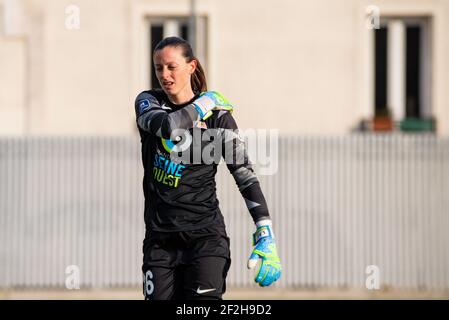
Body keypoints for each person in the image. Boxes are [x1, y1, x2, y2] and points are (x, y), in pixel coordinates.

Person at [134, 36, 281, 300]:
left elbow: (244, 174)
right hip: (160, 242)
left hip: (205, 240)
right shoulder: (149, 102)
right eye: (158, 68)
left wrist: (265, 230)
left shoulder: (218, 117)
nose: (164, 75)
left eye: (171, 67)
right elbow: (169, 127)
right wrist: (204, 103)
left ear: (191, 67)